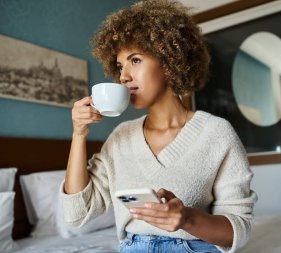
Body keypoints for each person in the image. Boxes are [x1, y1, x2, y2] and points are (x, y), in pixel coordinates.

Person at [60, 0, 256, 252]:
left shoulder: (217, 133)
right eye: (120, 66)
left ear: (168, 61)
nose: (123, 76)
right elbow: (77, 214)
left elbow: (237, 228)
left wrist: (187, 218)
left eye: (135, 60)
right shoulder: (121, 137)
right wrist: (78, 134)